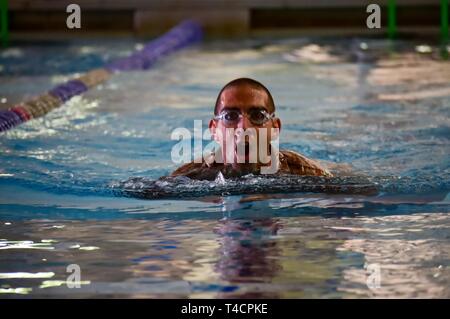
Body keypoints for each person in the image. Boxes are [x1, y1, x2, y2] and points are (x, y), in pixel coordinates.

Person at [170, 78, 332, 180]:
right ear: (214, 130)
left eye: (258, 116)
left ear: (275, 128)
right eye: (230, 116)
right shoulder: (193, 175)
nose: (244, 127)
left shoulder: (306, 173)